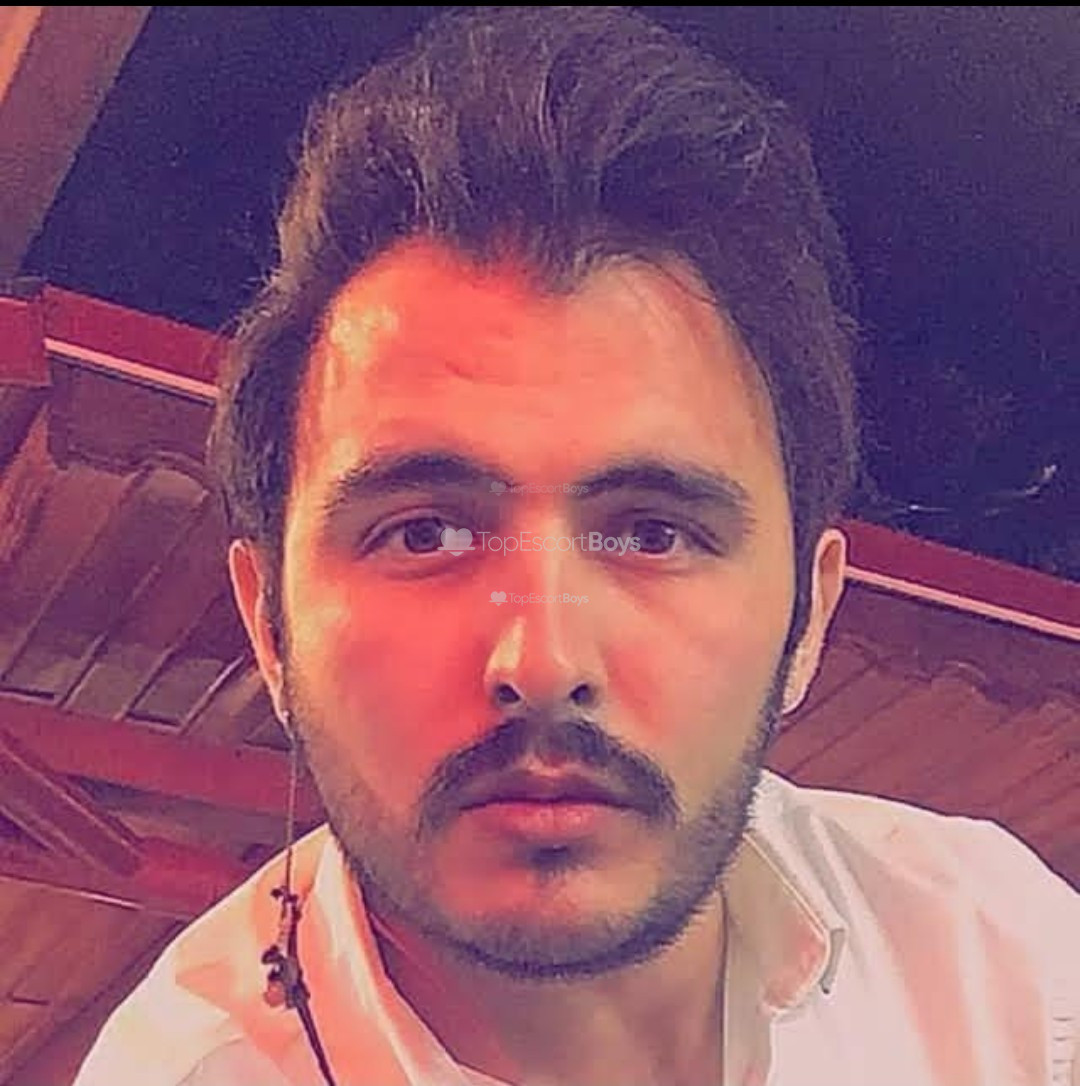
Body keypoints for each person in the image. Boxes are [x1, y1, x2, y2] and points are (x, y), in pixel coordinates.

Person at [75, 7, 1077, 1086]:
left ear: (808, 618)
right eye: (424, 532)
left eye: (652, 532)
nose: (544, 661)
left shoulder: (1002, 965)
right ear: (270, 628)